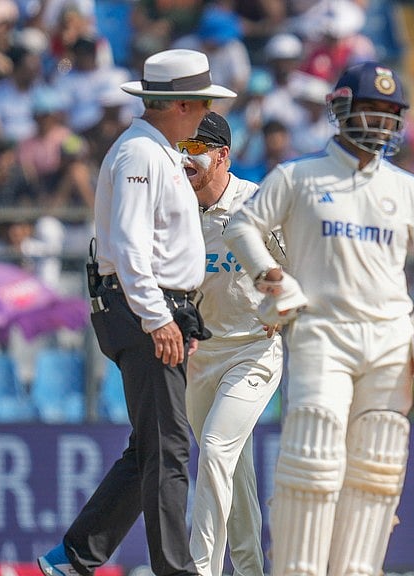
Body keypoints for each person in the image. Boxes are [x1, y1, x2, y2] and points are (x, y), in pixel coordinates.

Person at [223, 61, 414, 576]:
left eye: (390, 113)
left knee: (376, 468)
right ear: (341, 109)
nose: (380, 122)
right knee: (313, 454)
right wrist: (270, 275)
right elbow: (243, 226)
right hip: (320, 333)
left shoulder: (408, 189)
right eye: (370, 109)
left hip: (391, 340)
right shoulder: (299, 177)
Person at [37, 48, 236, 576]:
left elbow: (157, 248)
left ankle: (74, 557)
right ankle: (174, 568)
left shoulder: (157, 151)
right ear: (183, 104)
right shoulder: (140, 155)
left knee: (152, 444)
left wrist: (176, 314)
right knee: (169, 447)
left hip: (154, 305)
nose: (204, 114)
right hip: (141, 306)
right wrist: (158, 316)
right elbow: (128, 247)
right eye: (201, 103)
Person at [181, 111, 283, 576]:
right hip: (202, 356)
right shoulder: (176, 207)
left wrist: (282, 309)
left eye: (199, 149)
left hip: (253, 348)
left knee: (218, 449)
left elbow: (302, 265)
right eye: (183, 148)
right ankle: (249, 570)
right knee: (231, 469)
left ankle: (200, 569)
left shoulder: (257, 205)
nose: (188, 158)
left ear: (223, 155)